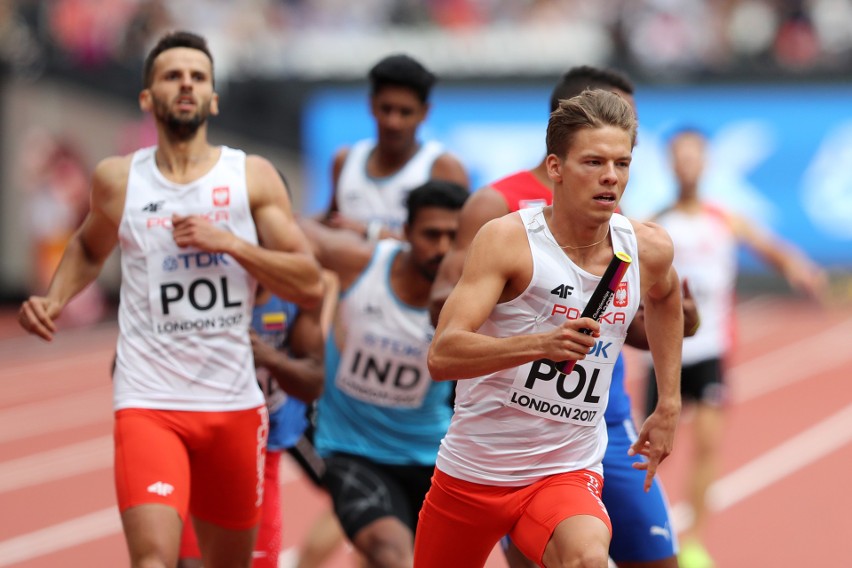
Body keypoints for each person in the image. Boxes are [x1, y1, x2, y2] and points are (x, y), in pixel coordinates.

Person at [17, 30, 323, 568]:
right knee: (154, 560)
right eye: (172, 75)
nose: (186, 84)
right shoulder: (118, 180)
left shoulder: (251, 178)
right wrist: (55, 297)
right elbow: (89, 248)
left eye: (198, 76)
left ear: (213, 99)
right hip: (148, 399)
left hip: (232, 402)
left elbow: (308, 282)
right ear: (147, 97)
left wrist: (229, 241)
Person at [430, 66, 690, 568]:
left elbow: (665, 296)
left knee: (590, 559)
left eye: (622, 162)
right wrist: (536, 340)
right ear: (557, 165)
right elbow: (441, 352)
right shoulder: (504, 231)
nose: (611, 176)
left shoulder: (646, 246)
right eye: (594, 161)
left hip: (574, 458)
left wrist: (671, 401)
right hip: (477, 466)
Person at [643, 127, 828, 568]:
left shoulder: (724, 218)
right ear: (670, 163)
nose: (687, 163)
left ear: (706, 162)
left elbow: (770, 248)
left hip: (710, 351)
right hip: (664, 354)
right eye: (680, 156)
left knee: (707, 444)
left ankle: (695, 544)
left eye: (695, 155)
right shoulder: (656, 222)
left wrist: (799, 268)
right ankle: (641, 532)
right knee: (651, 454)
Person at [300, 179, 468, 568]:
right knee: (391, 553)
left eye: (451, 237)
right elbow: (298, 229)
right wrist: (373, 232)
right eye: (430, 235)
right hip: (352, 449)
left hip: (434, 456)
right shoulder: (361, 263)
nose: (441, 248)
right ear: (405, 232)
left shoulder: (468, 290)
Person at [177, 272, 335, 568]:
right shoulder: (200, 294)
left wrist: (271, 358)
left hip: (268, 444)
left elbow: (325, 281)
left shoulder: (296, 287)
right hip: (205, 447)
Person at [324, 53, 469, 241]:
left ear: (424, 112)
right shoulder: (345, 160)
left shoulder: (443, 168)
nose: (394, 122)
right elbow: (330, 222)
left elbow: (456, 244)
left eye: (405, 112)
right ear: (371, 105)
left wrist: (369, 232)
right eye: (386, 109)